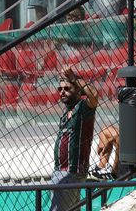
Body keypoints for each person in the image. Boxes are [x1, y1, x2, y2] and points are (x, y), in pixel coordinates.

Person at [51, 68, 98, 211]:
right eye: (60, 89)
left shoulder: (83, 107)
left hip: (72, 170)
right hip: (61, 170)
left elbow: (94, 95)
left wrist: (75, 78)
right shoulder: (66, 112)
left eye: (67, 88)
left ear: (78, 91)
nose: (62, 92)